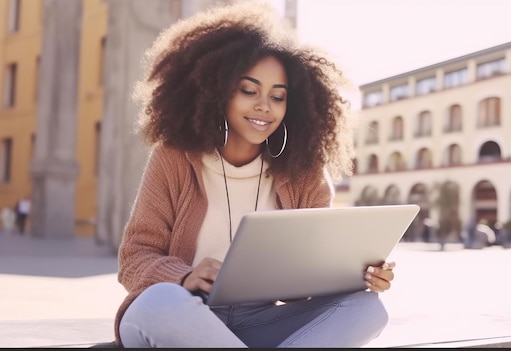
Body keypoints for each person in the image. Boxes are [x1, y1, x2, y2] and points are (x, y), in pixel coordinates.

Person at [113, 1, 395, 348]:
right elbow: (135, 258)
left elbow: (306, 280)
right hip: (185, 314)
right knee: (160, 302)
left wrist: (360, 275)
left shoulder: (304, 173)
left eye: (278, 97)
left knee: (367, 309)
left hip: (257, 320)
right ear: (218, 91)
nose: (264, 106)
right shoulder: (175, 157)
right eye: (249, 90)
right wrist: (184, 276)